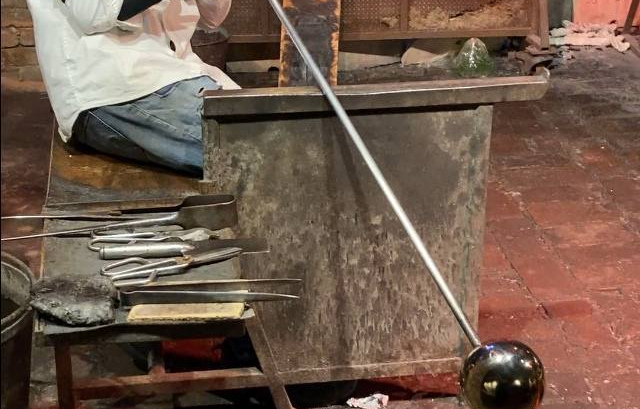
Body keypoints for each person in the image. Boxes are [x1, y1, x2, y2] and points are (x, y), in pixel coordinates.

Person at [27, 0, 239, 175]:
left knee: (256, 131)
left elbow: (212, 16)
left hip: (178, 71)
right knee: (250, 148)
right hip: (115, 85)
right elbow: (94, 13)